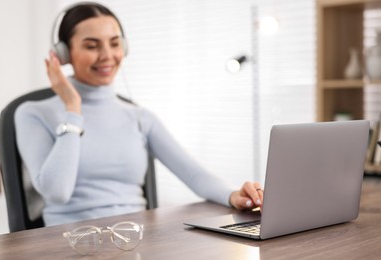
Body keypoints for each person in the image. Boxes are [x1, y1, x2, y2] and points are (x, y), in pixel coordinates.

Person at [15, 2, 263, 226]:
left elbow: (193, 173)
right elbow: (57, 191)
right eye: (92, 46)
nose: (107, 56)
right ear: (63, 54)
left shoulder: (139, 117)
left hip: (133, 239)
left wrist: (233, 195)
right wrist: (72, 108)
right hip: (71, 243)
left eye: (114, 43)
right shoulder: (33, 113)